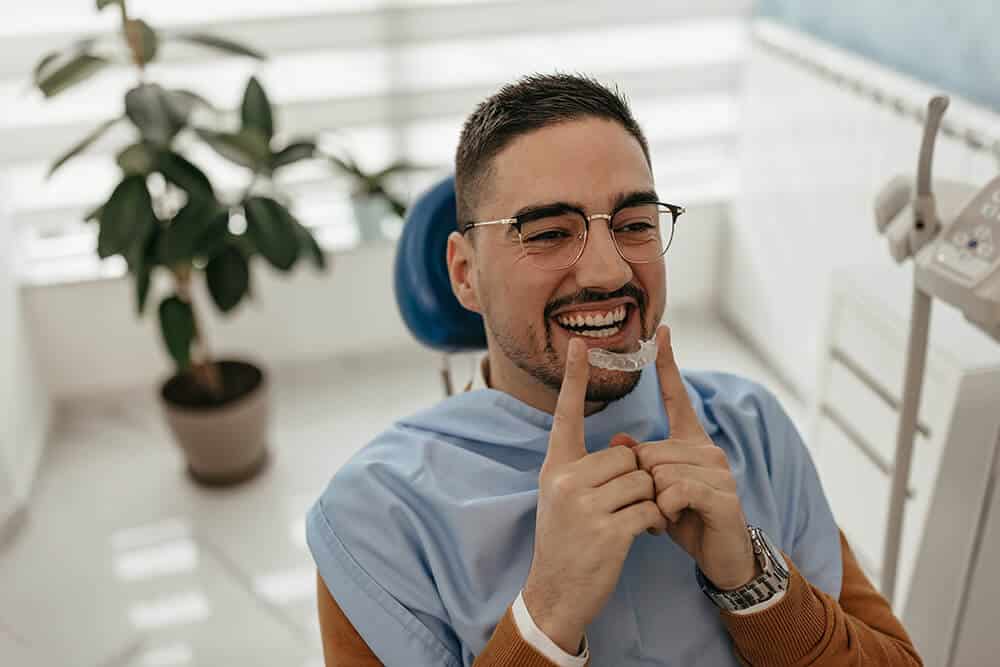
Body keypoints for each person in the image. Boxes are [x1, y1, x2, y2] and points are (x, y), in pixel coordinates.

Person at [306, 73, 923, 666]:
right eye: (547, 232)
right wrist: (545, 617)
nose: (608, 272)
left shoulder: (750, 429)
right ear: (466, 273)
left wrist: (758, 586)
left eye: (633, 225)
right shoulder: (376, 516)